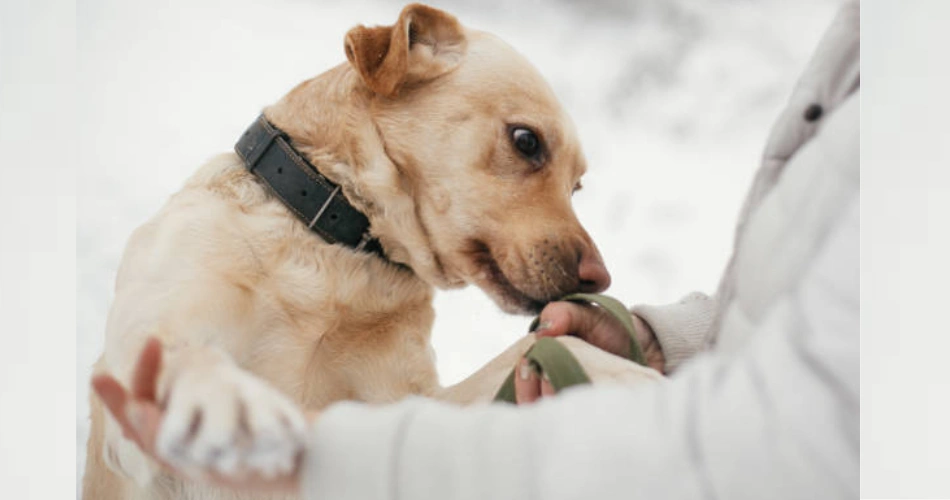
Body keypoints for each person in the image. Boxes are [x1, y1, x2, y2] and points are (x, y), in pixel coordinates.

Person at [94, 2, 859, 498]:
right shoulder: (204, 234)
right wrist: (191, 386)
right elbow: (140, 435)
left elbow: (405, 467)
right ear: (398, 68)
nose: (590, 267)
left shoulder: (401, 294)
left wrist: (616, 360)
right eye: (526, 147)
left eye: (570, 188)